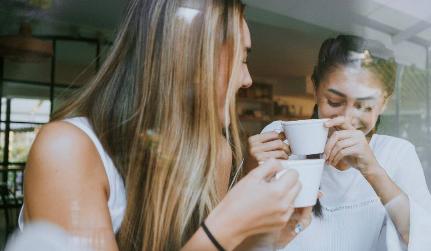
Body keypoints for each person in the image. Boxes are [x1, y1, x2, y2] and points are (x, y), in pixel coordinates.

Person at [19, 0, 312, 250]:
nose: (247, 79)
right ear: (186, 57)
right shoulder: (68, 150)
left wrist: (267, 238)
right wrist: (225, 228)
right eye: (239, 58)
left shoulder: (217, 153)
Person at [247, 35, 431, 250]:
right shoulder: (281, 140)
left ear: (384, 103)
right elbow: (248, 238)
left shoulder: (396, 154)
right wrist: (249, 174)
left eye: (365, 106)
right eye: (334, 102)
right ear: (315, 88)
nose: (346, 119)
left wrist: (372, 170)